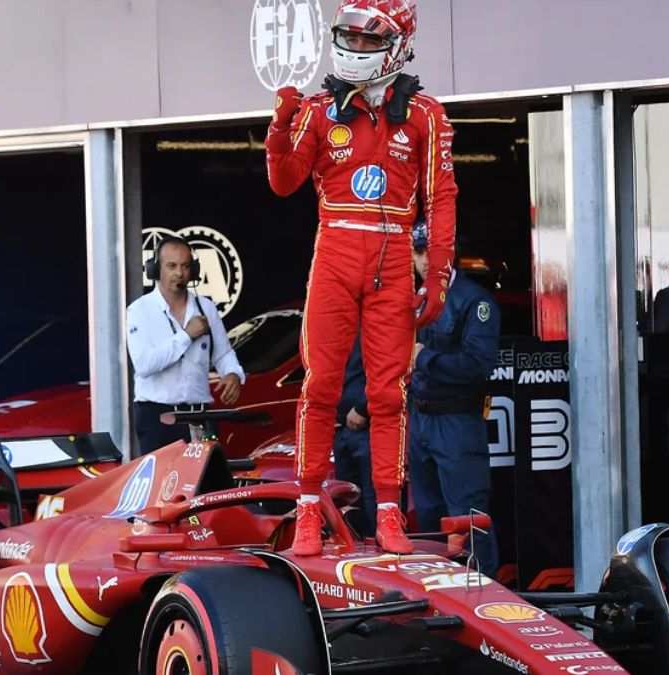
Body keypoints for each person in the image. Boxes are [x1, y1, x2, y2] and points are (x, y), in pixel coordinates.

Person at [265, 0, 457, 556]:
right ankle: (307, 510)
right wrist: (280, 127)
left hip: (396, 254)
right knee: (320, 384)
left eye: (371, 40)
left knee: (387, 394)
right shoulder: (319, 110)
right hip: (336, 251)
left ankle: (390, 514)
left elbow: (441, 197)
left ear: (397, 45)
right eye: (351, 37)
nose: (357, 48)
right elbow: (284, 182)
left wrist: (438, 271)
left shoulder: (424, 115)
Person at [407, 222, 500, 576]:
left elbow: (478, 365)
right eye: (418, 251)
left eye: (433, 250)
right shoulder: (413, 300)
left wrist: (422, 357)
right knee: (428, 521)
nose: (425, 259)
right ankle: (437, 608)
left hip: (457, 422)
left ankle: (491, 609)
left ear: (451, 252)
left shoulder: (475, 301)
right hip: (420, 421)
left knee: (468, 519)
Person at [126, 236, 244, 454]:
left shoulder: (206, 308)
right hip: (158, 418)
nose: (179, 273)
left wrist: (233, 374)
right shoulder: (139, 311)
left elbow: (224, 353)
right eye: (171, 266)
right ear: (155, 269)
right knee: (161, 485)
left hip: (201, 417)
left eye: (185, 266)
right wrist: (186, 335)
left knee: (205, 483)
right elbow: (144, 365)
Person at [333, 334, 377, 536]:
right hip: (339, 426)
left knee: (374, 503)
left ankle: (385, 561)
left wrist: (364, 406)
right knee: (347, 503)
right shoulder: (334, 322)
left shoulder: (374, 315)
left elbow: (387, 367)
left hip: (370, 427)